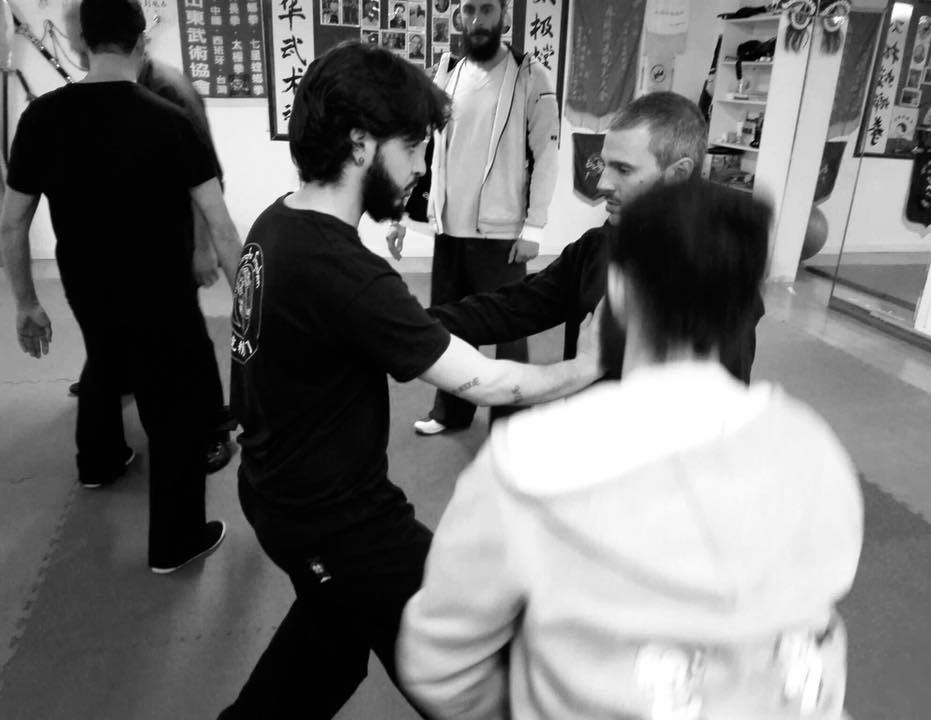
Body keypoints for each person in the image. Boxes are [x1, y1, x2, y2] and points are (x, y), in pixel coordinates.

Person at [217, 42, 601, 719]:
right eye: (416, 147)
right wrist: (596, 365)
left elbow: (361, 329)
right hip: (339, 522)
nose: (423, 166)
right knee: (471, 664)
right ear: (361, 143)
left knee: (331, 645)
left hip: (277, 492)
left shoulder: (278, 222)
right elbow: (489, 383)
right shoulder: (343, 270)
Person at [398, 179, 864, 719]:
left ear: (617, 291)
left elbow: (439, 663)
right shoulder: (814, 448)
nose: (605, 183)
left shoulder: (530, 465)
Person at [1, 0, 240, 572]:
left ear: (83, 43)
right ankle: (177, 542)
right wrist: (254, 310)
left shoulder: (40, 118)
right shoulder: (170, 118)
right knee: (174, 410)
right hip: (161, 292)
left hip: (85, 285)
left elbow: (12, 222)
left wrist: (27, 303)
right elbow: (221, 224)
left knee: (105, 360)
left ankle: (99, 463)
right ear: (140, 42)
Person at [394, 92, 765, 389]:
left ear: (678, 174)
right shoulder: (599, 246)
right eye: (605, 165)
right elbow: (515, 307)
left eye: (623, 169)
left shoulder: (721, 282)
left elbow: (720, 413)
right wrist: (403, 322)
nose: (602, 184)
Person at [62, 0, 236, 473]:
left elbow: (208, 180)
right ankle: (115, 391)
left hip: (173, 241)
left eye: (78, 37)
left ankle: (213, 431)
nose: (78, 48)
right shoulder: (96, 93)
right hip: (123, 245)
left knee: (189, 340)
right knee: (111, 334)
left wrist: (203, 249)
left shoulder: (169, 91)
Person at [389, 0, 559, 436]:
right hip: (449, 229)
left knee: (509, 331)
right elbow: (423, 149)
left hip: (502, 232)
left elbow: (547, 154)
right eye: (469, 10)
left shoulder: (530, 76)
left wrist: (534, 227)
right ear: (458, 16)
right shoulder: (447, 73)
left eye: (487, 9)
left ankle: (511, 424)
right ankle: (452, 412)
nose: (478, 20)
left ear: (504, 15)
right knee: (450, 327)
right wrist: (398, 216)